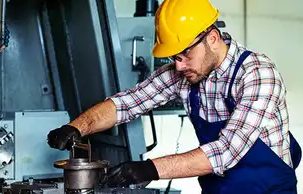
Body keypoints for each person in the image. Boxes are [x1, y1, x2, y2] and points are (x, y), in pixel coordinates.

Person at [47, 0, 302, 193]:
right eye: (173, 57)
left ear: (212, 38)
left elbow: (225, 152)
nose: (178, 66)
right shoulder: (184, 73)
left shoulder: (258, 74)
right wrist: (76, 127)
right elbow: (126, 104)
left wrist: (149, 169)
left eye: (184, 55)